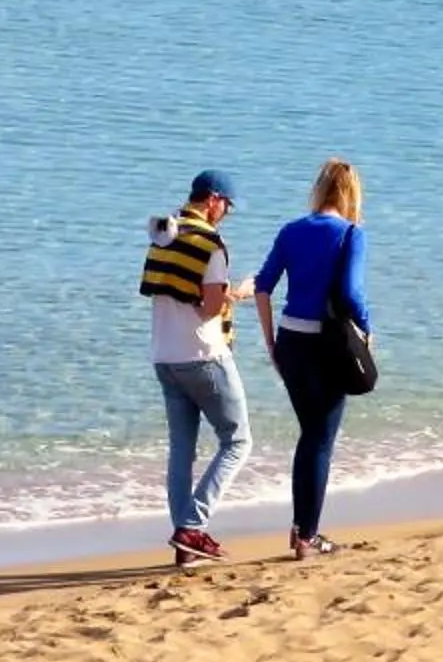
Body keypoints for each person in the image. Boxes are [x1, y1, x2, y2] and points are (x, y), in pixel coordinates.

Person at [255, 157, 370, 560]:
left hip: (291, 341)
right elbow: (351, 294)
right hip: (326, 345)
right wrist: (367, 328)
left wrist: (270, 342)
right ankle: (308, 536)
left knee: (309, 435)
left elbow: (262, 287)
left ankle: (299, 528)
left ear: (320, 189)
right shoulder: (351, 234)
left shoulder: (291, 230)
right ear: (351, 194)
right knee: (320, 440)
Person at [142, 168, 252, 565]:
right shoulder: (211, 245)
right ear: (213, 200)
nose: (227, 213)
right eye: (227, 206)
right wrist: (236, 294)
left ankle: (185, 544)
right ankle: (192, 526)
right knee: (237, 441)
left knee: (181, 452)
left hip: (164, 355)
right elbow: (209, 307)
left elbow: (174, 292)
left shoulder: (164, 235)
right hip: (203, 356)